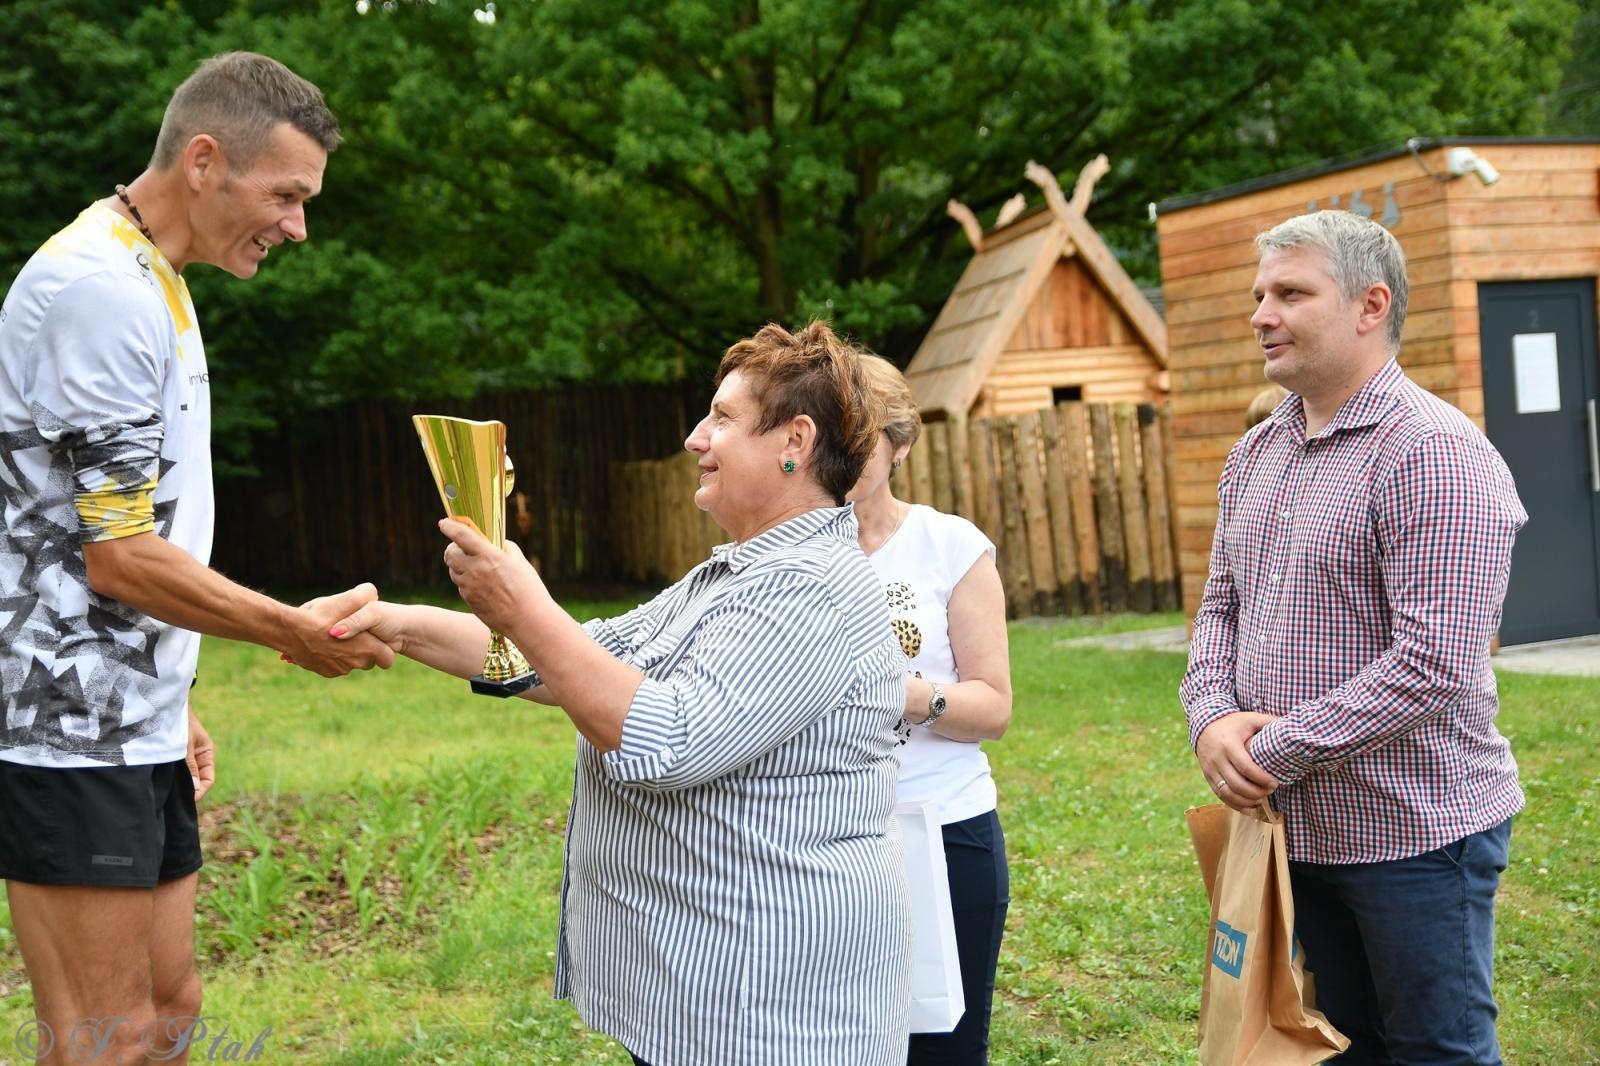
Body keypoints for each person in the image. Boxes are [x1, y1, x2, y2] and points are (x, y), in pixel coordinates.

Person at [333, 321, 912, 1064]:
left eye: (723, 418)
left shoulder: (810, 590)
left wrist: (522, 605)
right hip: (709, 997)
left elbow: (666, 739)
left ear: (794, 441)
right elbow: (578, 659)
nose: (695, 439)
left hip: (771, 1010)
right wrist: (396, 625)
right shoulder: (737, 575)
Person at [0, 52, 393, 1064]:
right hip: (67, 730)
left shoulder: (153, 277)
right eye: (286, 196)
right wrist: (291, 630)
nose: (297, 226)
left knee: (169, 1011)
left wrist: (169, 691)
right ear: (206, 161)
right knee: (106, 1038)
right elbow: (121, 557)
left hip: (130, 713)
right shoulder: (97, 289)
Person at [1180, 210, 1526, 1064]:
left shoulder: (1434, 453)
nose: (1261, 315)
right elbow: (1219, 608)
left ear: (1371, 305)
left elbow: (1433, 664)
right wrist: (1211, 718)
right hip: (1292, 831)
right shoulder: (1256, 453)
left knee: (1437, 1051)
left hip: (1415, 833)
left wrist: (1271, 751)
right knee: (1337, 1044)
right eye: (1259, 294)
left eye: (1290, 294)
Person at [848, 355, 1012, 1063]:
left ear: (901, 445)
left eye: (861, 436)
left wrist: (908, 696)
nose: (842, 452)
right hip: (824, 841)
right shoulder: (781, 555)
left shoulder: (949, 545)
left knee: (941, 1048)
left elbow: (993, 706)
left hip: (942, 833)